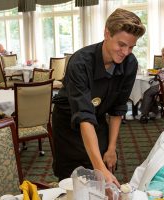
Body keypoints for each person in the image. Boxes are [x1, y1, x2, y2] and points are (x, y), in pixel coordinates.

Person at [52, 8, 145, 186]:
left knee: (102, 173)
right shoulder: (80, 62)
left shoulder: (130, 63)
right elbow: (84, 116)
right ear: (106, 33)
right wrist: (99, 167)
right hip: (69, 123)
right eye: (121, 44)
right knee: (73, 180)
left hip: (98, 120)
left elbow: (118, 109)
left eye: (131, 46)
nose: (126, 52)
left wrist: (111, 148)